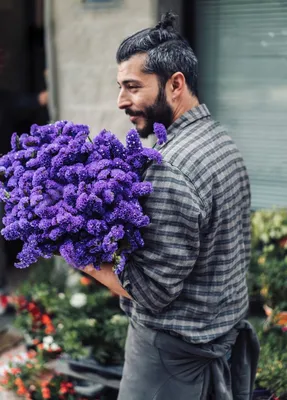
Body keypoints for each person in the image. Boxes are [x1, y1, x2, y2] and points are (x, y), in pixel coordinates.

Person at [82, 11, 259, 400]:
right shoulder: (220, 140)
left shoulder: (170, 169)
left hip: (169, 363)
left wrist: (77, 254)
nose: (120, 101)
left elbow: (150, 292)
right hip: (215, 342)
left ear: (175, 84)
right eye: (119, 87)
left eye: (132, 86)